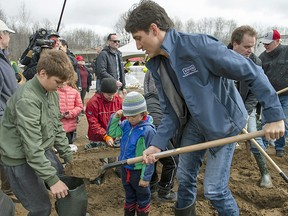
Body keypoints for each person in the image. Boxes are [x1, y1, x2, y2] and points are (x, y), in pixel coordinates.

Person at [124, 1, 285, 215]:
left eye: (138, 38)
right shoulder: (157, 65)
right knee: (184, 177)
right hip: (195, 123)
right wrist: (156, 145)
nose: (138, 46)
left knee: (215, 190)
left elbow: (252, 71)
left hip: (224, 122)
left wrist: (274, 115)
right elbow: (170, 112)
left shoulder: (198, 46)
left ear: (154, 29)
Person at [0, 49, 74, 216]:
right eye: (58, 82)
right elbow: (31, 148)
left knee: (63, 181)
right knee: (40, 208)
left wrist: (67, 154)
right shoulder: (27, 100)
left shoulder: (51, 92)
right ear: (42, 73)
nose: (61, 86)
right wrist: (52, 180)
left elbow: (56, 125)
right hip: (19, 158)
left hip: (42, 149)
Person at [229, 25, 273, 188]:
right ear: (235, 44)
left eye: (253, 46)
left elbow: (256, 91)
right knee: (216, 140)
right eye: (247, 46)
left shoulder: (255, 61)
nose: (251, 50)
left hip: (246, 107)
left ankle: (265, 174)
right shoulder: (221, 56)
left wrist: (245, 113)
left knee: (254, 137)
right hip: (223, 109)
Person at [107, 91, 156, 216]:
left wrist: (145, 178)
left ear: (143, 113)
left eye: (133, 116)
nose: (130, 119)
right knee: (129, 196)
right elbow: (112, 133)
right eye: (127, 116)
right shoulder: (126, 125)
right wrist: (116, 117)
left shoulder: (147, 131)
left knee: (143, 197)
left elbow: (151, 158)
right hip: (125, 168)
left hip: (139, 170)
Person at [144, 69, 178, 202]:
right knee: (173, 161)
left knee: (149, 159)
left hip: (145, 134)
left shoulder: (146, 99)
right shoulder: (164, 102)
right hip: (156, 132)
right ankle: (164, 191)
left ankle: (152, 187)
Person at [259, 29, 288, 157]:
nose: (265, 46)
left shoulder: (286, 51)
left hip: (285, 95)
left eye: (268, 43)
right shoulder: (262, 58)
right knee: (267, 122)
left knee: (284, 122)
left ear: (277, 41)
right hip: (269, 96)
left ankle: (280, 146)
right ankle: (263, 146)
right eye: (264, 43)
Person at [0, 18, 17, 216]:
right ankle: (6, 192)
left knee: (5, 157)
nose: (9, 37)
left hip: (7, 114)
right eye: (7, 33)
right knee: (6, 155)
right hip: (2, 116)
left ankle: (8, 190)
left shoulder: (4, 57)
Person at [85, 77, 123, 150]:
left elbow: (125, 118)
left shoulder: (118, 100)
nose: (111, 97)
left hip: (113, 137)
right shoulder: (93, 103)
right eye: (109, 95)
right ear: (103, 92)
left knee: (113, 159)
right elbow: (93, 123)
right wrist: (105, 136)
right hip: (97, 138)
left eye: (113, 94)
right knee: (100, 159)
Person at [57, 72, 83, 147]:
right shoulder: (54, 92)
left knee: (69, 145)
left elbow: (79, 106)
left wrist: (70, 113)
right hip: (58, 126)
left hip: (71, 125)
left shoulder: (74, 92)